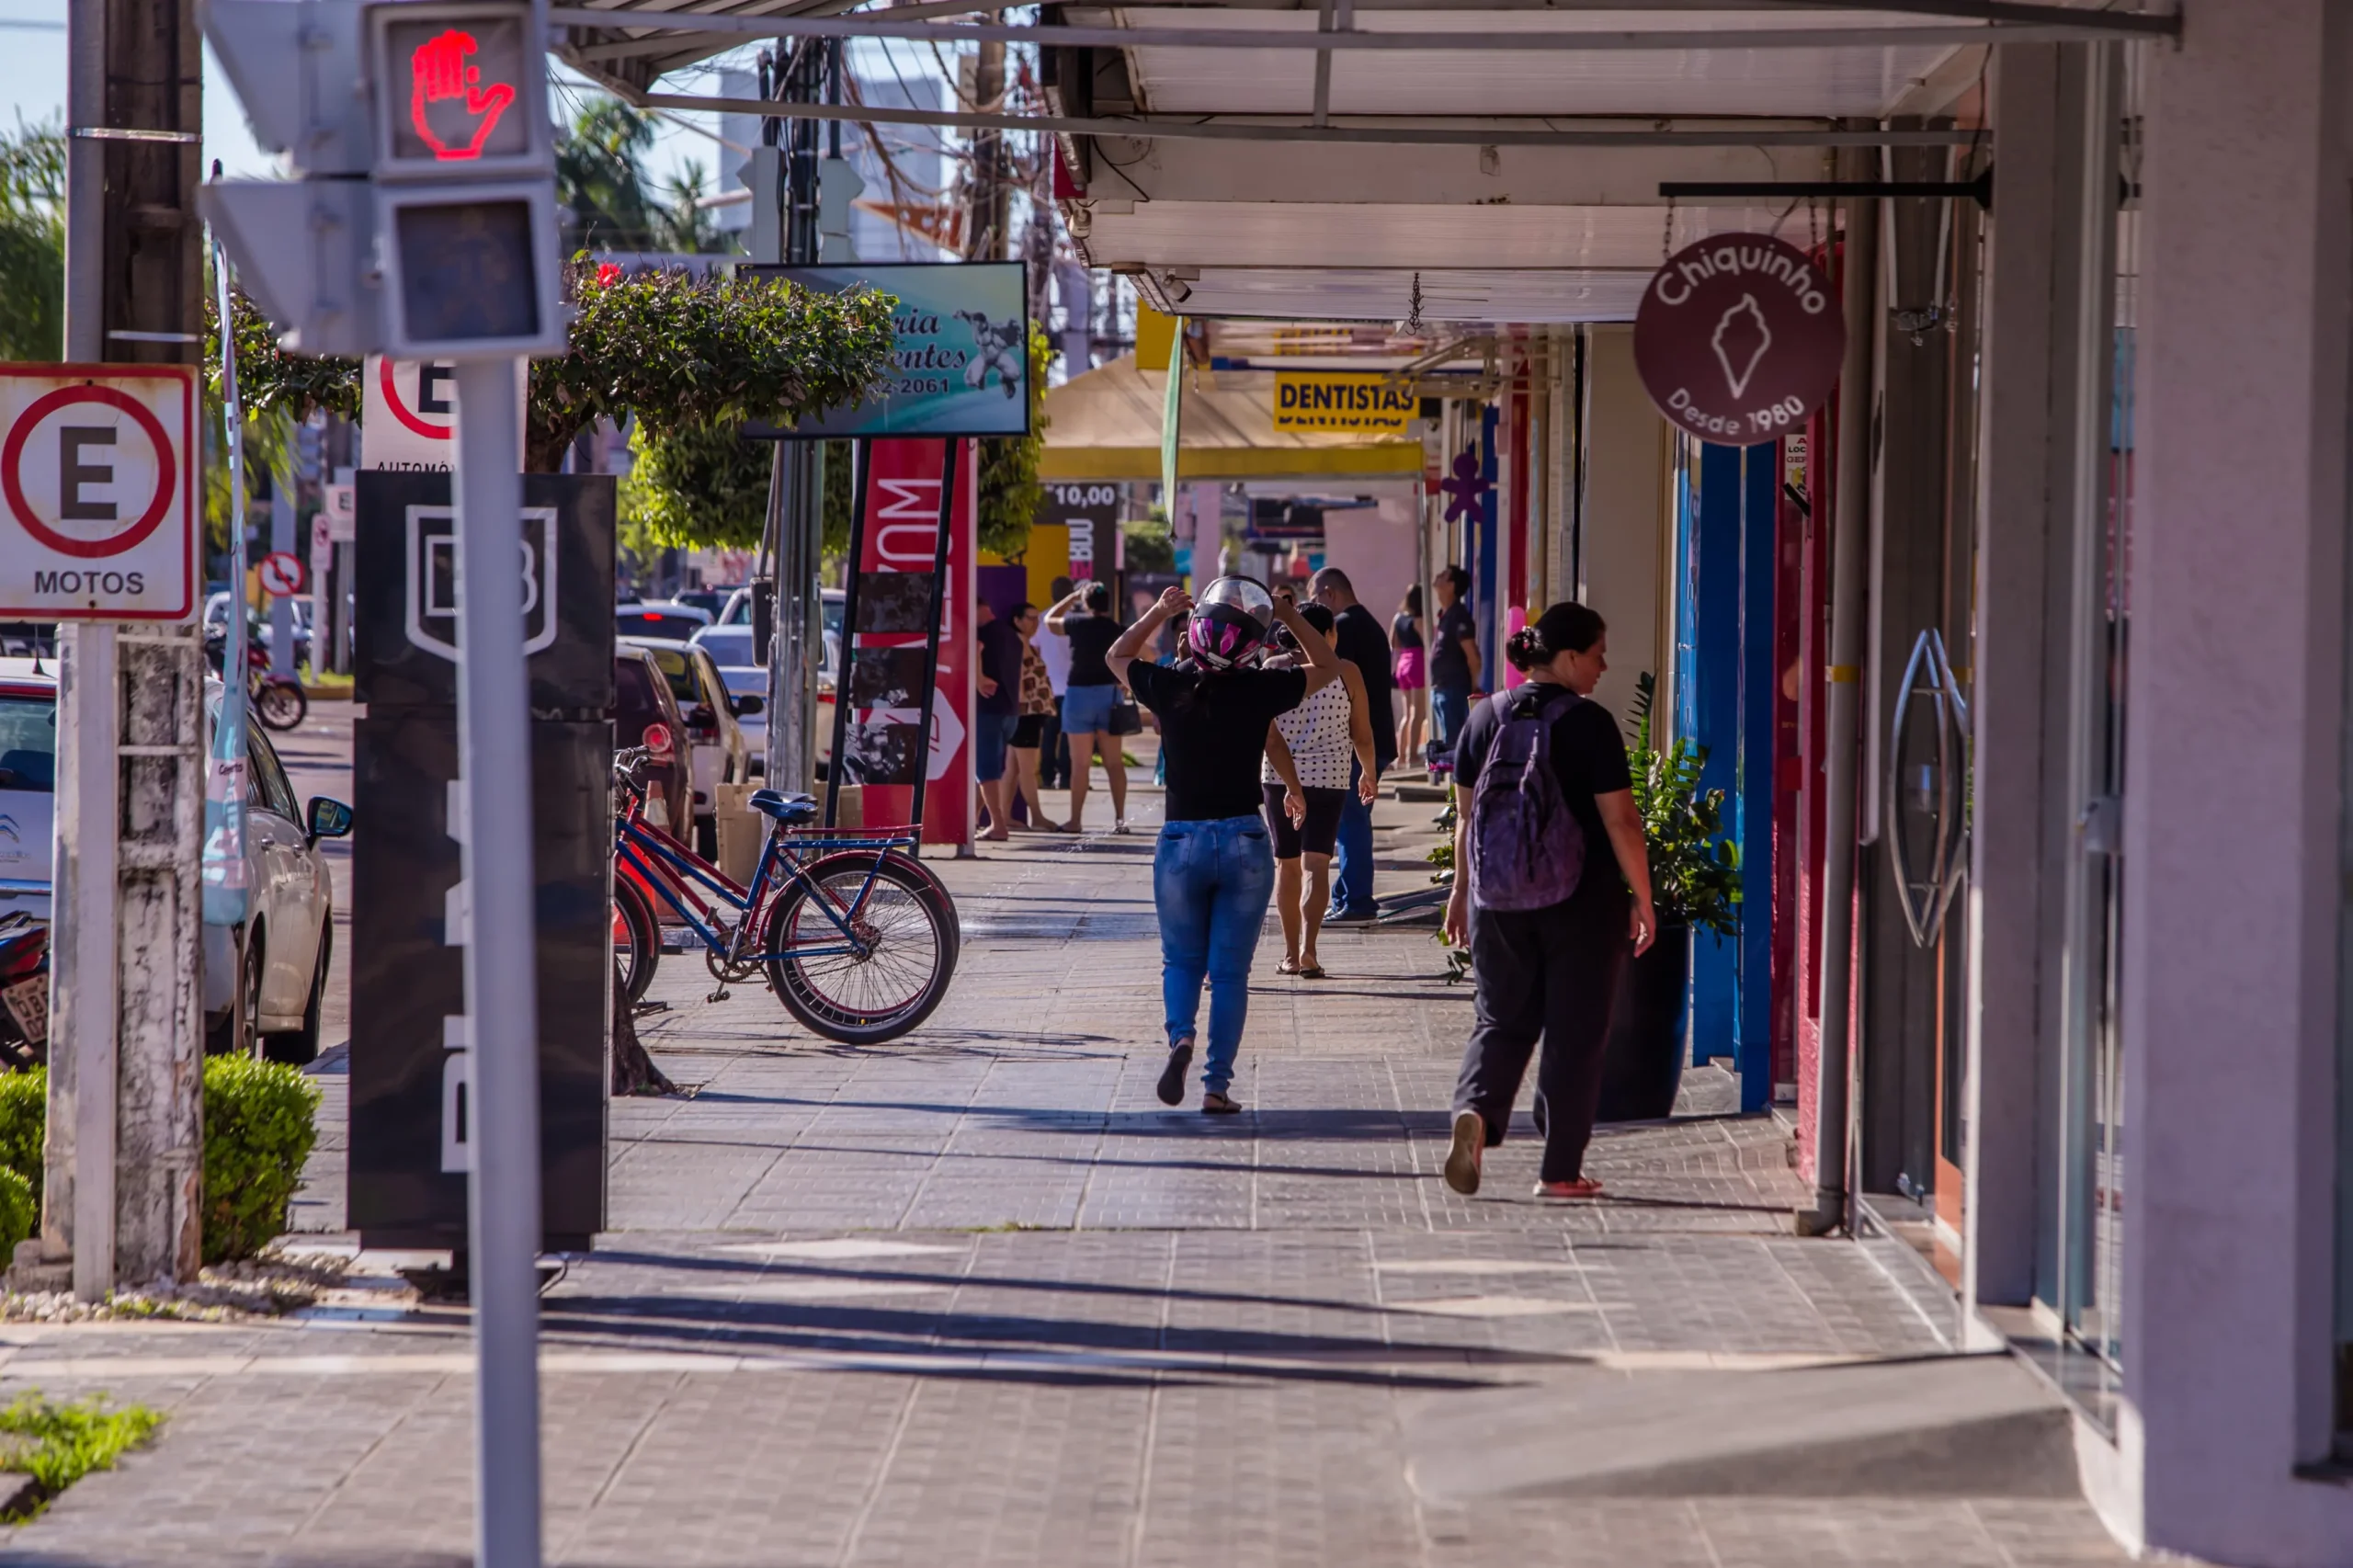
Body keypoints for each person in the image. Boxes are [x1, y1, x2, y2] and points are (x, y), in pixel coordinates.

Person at [1441, 602, 1657, 1201]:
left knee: (1500, 1020)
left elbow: (1466, 820)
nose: (1603, 667)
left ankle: (1475, 1112)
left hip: (1496, 899)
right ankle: (1560, 1170)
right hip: (1581, 903)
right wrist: (1643, 898)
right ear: (1568, 656)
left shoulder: (1484, 718)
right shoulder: (1590, 723)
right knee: (1575, 1032)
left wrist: (1460, 892)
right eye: (1597, 655)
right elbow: (1622, 822)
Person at [1110, 578, 1339, 1114]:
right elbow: (1327, 666)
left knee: (1181, 961)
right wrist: (1288, 614)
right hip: (1244, 839)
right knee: (1231, 973)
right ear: (1251, 646)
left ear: (1195, 635)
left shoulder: (1168, 685)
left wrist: (1158, 612)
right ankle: (1216, 1086)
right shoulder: (1261, 688)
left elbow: (1116, 655)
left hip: (1181, 841)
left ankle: (1181, 1037)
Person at [1259, 604, 1378, 979]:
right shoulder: (1346, 672)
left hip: (1279, 777)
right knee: (1317, 864)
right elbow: (1362, 733)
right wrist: (1369, 772)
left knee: (1287, 864)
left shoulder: (1272, 668)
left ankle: (1290, 955)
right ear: (1326, 635)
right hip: (1330, 777)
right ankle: (1309, 953)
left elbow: (1265, 732)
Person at [1309, 567, 1395, 923]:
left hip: (1359, 741)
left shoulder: (1343, 627)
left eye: (1315, 599)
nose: (1315, 608)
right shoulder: (1370, 624)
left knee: (1350, 821)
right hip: (1373, 738)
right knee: (1351, 820)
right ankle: (1346, 895)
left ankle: (1357, 899)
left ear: (1329, 593)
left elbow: (1332, 682)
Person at [1047, 581, 1130, 833]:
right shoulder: (1116, 629)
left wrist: (1071, 598)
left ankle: (1075, 821)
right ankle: (1120, 820)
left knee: (1080, 764)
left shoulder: (1077, 624)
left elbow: (1050, 621)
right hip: (1108, 696)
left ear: (1086, 603)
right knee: (1114, 763)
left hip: (1078, 696)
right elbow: (1144, 654)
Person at [1006, 603, 1063, 834]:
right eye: (1030, 618)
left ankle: (1004, 815)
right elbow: (1017, 674)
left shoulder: (1026, 643)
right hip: (1027, 712)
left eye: (1036, 618)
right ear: (1017, 620)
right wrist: (1020, 698)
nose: (1035, 623)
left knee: (1012, 769)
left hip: (1029, 712)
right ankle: (1037, 816)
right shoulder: (1019, 643)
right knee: (1028, 769)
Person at [973, 597, 1024, 842]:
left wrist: (978, 678)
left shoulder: (980, 634)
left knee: (986, 771)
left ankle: (998, 824)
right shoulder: (1012, 635)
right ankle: (973, 818)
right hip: (1010, 709)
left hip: (988, 708)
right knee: (990, 770)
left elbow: (975, 651)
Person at [1427, 565, 1482, 764]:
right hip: (1441, 689)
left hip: (1454, 690)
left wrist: (1473, 686)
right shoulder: (1445, 615)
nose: (1438, 576)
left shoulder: (1459, 616)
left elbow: (1473, 657)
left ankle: (1456, 785)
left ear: (1451, 586)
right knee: (1449, 747)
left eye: (1444, 575)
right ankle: (1453, 783)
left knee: (1455, 747)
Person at [1034, 574, 1074, 791]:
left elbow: (1035, 652)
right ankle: (1067, 778)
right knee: (1068, 736)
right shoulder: (1076, 621)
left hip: (1048, 687)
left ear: (1052, 594)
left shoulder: (1041, 620)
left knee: (1049, 735)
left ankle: (1047, 776)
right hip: (1073, 687)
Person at [1392, 585, 1428, 767]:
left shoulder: (1398, 618)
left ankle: (1401, 756)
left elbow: (1394, 644)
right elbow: (1427, 642)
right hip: (1417, 662)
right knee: (1418, 713)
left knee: (1406, 715)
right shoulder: (1418, 620)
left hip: (1403, 663)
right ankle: (1412, 755)